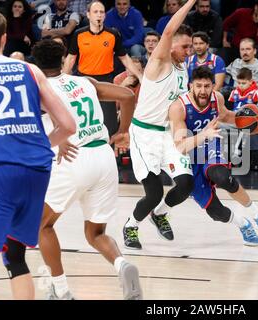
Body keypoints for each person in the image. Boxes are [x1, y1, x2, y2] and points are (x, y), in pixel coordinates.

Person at [0, 10, 76, 300]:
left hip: (1, 172)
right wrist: (41, 142)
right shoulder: (31, 70)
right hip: (38, 170)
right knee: (15, 255)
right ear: (5, 39)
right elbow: (68, 126)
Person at [31, 39, 142, 300]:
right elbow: (127, 96)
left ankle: (61, 291)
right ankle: (121, 264)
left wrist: (56, 140)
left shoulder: (38, 90)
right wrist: (123, 132)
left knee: (42, 226)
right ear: (62, 62)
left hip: (72, 156)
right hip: (104, 157)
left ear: (36, 65)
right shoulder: (85, 82)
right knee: (96, 233)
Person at [169, 66, 258, 246]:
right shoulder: (178, 107)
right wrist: (204, 134)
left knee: (222, 177)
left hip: (210, 147)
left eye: (207, 86)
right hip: (188, 157)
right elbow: (181, 146)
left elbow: (229, 116)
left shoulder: (217, 98)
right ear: (191, 86)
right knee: (216, 212)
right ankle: (244, 224)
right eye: (199, 86)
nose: (203, 91)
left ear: (213, 86)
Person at [122, 0, 197, 250]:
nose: (189, 50)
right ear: (172, 43)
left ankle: (160, 214)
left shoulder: (183, 68)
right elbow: (167, 31)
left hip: (167, 133)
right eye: (185, 46)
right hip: (144, 133)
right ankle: (131, 226)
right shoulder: (159, 62)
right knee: (152, 193)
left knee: (186, 184)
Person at [63, 0, 142, 136]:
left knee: (109, 124)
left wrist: (141, 77)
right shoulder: (79, 34)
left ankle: (110, 152)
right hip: (84, 81)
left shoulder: (112, 35)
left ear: (105, 15)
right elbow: (71, 59)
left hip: (105, 80)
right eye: (95, 12)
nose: (99, 15)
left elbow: (125, 59)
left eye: (101, 12)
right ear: (88, 15)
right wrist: (62, 79)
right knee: (84, 122)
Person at [227, 67, 258, 170]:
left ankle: (242, 156)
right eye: (239, 83)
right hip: (234, 118)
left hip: (249, 119)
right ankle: (224, 157)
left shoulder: (255, 93)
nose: (240, 86)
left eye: (243, 83)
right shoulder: (234, 93)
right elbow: (229, 107)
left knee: (246, 129)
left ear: (250, 82)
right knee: (219, 126)